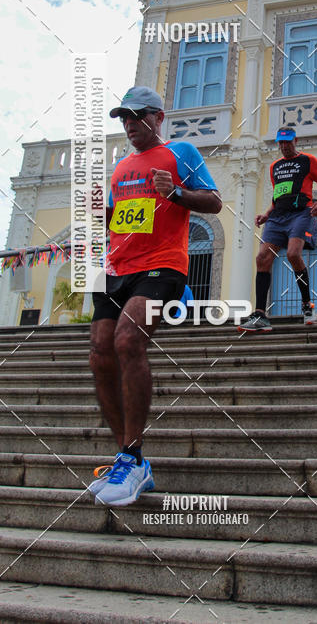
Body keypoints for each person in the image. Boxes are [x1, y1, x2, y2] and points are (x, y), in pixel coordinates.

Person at [88, 86, 221, 506]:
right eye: (124, 118)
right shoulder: (121, 167)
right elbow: (121, 218)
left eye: (137, 115)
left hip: (162, 264)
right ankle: (128, 458)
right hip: (116, 267)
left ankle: (131, 457)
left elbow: (214, 201)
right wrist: (101, 215)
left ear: (159, 117)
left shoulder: (181, 152)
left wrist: (175, 193)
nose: (130, 124)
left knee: (128, 340)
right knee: (99, 351)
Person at [239, 127, 317, 333]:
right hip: (277, 217)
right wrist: (266, 214)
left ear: (295, 141)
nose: (284, 146)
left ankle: (307, 306)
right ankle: (260, 315)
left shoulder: (308, 160)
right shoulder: (275, 166)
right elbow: (278, 196)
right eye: (280, 143)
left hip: (301, 213)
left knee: (293, 254)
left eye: (287, 142)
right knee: (262, 257)